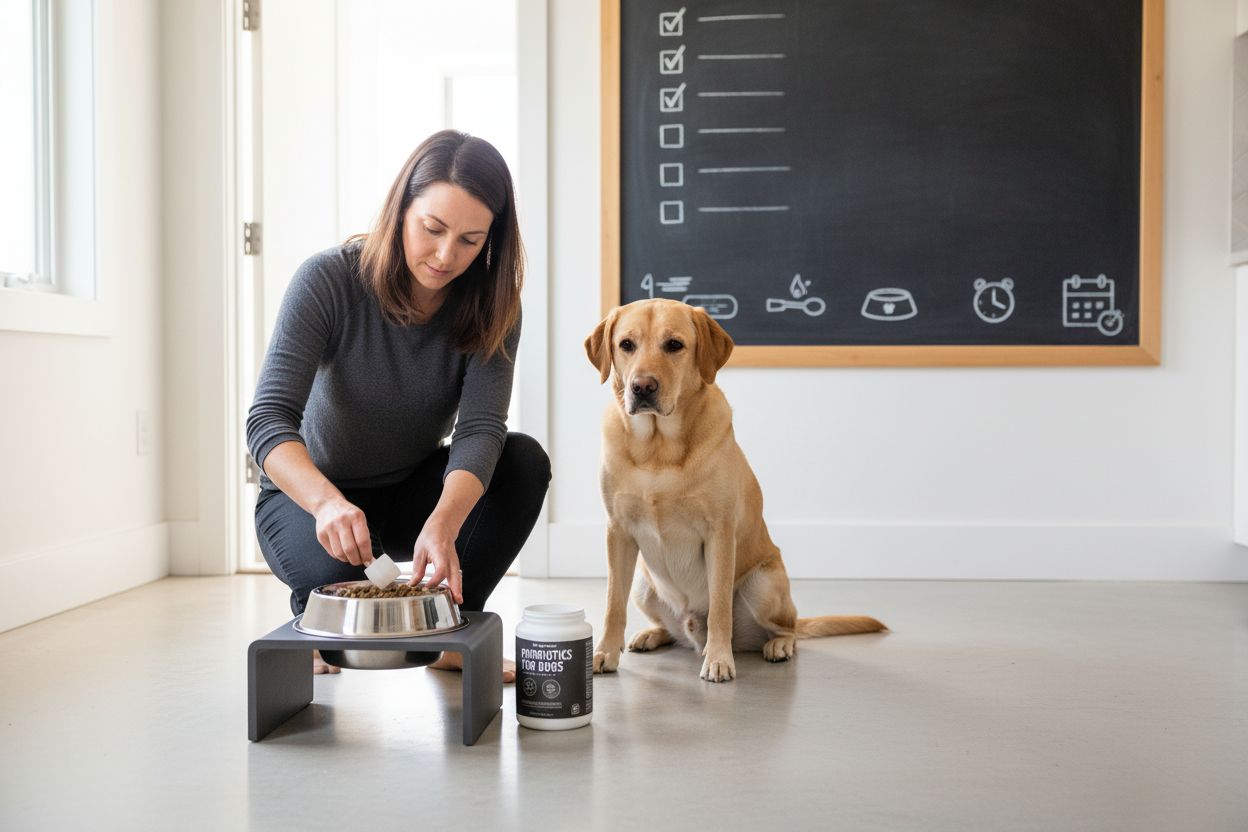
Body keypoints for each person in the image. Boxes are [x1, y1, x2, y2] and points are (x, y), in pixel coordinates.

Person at [246, 130, 550, 679]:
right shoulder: (328, 280)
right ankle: (313, 615)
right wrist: (325, 504)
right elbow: (267, 420)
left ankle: (454, 628)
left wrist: (445, 521)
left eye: (470, 240)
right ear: (401, 209)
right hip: (311, 500)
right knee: (342, 616)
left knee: (522, 460)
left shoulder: (493, 306)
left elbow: (482, 428)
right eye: (432, 229)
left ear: (492, 241)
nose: (444, 255)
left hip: (411, 488)